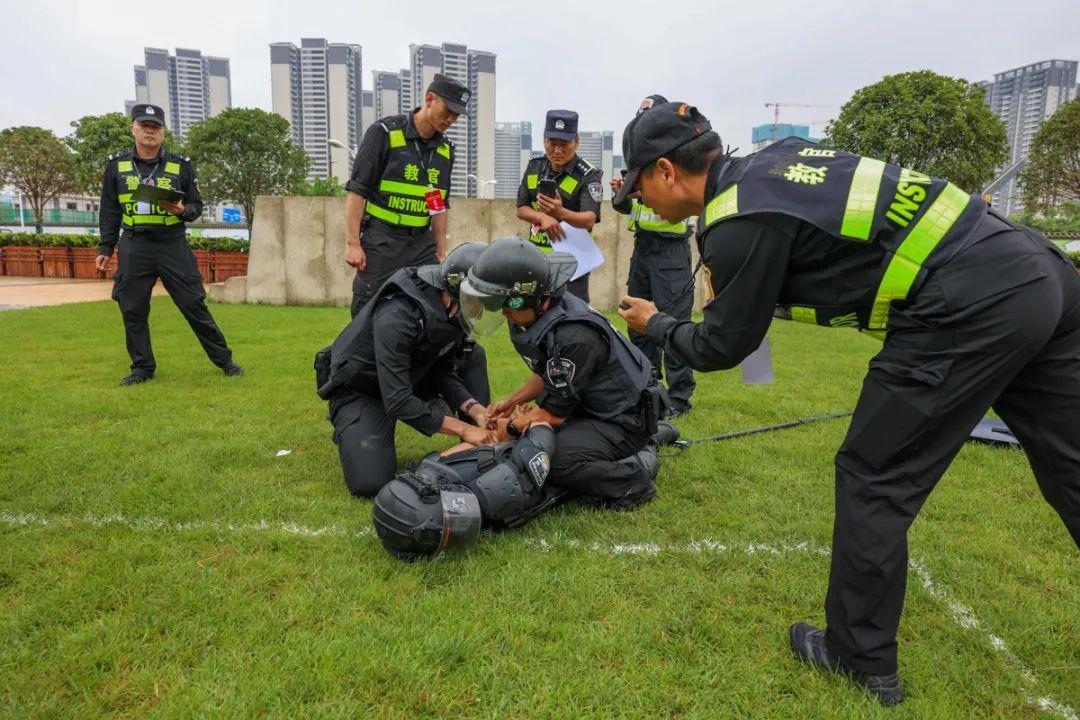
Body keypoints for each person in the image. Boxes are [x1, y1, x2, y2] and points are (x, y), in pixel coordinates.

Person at [614, 101, 1080, 705]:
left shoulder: (737, 218)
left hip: (963, 303)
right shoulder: (774, 161)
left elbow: (722, 346)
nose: (640, 202)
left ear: (668, 171)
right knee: (1072, 461)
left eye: (639, 187)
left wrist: (655, 323)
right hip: (1038, 270)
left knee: (873, 475)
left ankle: (858, 656)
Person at [460, 238, 662, 509]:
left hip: (623, 419)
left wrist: (509, 426)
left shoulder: (573, 336)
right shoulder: (549, 308)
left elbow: (553, 414)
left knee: (546, 461)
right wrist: (510, 402)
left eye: (506, 306)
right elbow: (547, 374)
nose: (504, 313)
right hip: (596, 408)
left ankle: (633, 483)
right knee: (536, 440)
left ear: (526, 297)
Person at [315, 243, 494, 497]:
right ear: (457, 292)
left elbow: (442, 369)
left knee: (473, 355)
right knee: (370, 482)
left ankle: (476, 445)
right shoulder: (398, 313)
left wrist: (475, 409)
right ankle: (349, 423)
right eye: (477, 302)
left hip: (411, 374)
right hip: (365, 386)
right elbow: (397, 399)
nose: (479, 311)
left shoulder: (452, 309)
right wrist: (463, 427)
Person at [95, 104, 242, 386]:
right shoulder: (116, 166)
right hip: (135, 244)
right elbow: (109, 210)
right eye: (144, 125)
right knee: (132, 308)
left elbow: (197, 205)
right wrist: (105, 247)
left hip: (172, 243)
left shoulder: (180, 165)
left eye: (156, 127)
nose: (150, 131)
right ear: (133, 128)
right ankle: (142, 368)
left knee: (194, 304)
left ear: (163, 132)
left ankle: (225, 361)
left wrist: (182, 211)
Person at [344, 73, 470, 316]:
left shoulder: (446, 150)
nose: (451, 119)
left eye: (456, 115)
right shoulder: (384, 133)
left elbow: (438, 203)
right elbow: (357, 191)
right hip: (382, 241)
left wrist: (441, 252)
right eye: (448, 110)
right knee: (367, 315)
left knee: (429, 315)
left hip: (422, 247)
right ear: (430, 99)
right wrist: (353, 244)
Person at [610, 94, 696, 417]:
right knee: (638, 321)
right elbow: (628, 209)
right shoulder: (641, 165)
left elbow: (676, 208)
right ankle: (646, 385)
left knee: (672, 324)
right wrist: (624, 192)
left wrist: (643, 191)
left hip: (671, 251)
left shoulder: (675, 161)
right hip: (643, 248)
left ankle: (680, 399)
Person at [516, 110, 604, 302]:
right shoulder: (534, 167)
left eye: (564, 144)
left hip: (571, 263)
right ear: (544, 140)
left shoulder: (588, 175)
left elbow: (589, 219)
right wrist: (542, 217)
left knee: (572, 318)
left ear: (576, 142)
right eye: (552, 143)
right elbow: (521, 208)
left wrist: (560, 212)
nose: (557, 150)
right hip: (537, 260)